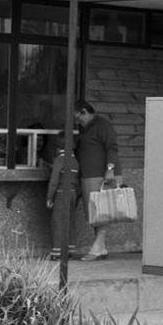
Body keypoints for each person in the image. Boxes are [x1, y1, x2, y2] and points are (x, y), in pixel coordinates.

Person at [73, 99, 120, 261]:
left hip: (102, 174)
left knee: (102, 210)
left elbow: (112, 147)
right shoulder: (84, 128)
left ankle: (98, 247)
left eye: (79, 118)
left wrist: (110, 169)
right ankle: (101, 246)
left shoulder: (102, 125)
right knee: (94, 212)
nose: (78, 122)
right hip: (88, 174)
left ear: (85, 112)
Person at [45, 147, 80, 260]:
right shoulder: (75, 161)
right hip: (72, 193)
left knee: (58, 221)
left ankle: (57, 251)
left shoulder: (60, 160)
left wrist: (49, 197)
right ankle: (70, 250)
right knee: (70, 221)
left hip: (61, 193)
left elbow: (54, 181)